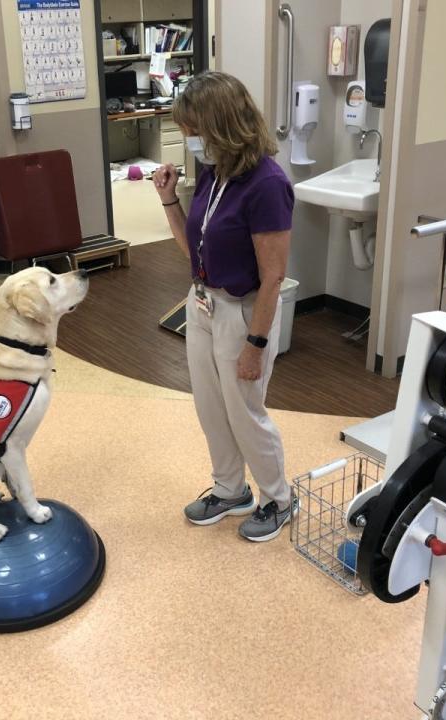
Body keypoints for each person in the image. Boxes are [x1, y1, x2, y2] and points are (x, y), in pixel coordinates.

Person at [152, 71, 296, 542]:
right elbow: (192, 248)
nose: (189, 139)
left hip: (243, 310)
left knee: (244, 409)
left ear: (223, 126)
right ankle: (231, 489)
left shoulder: (267, 184)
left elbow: (273, 277)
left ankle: (278, 498)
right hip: (202, 303)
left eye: (194, 129)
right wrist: (169, 200)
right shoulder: (215, 174)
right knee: (210, 406)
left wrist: (255, 345)